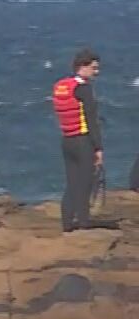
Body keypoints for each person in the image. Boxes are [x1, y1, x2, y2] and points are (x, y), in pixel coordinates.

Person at [53, 48, 114, 231]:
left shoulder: (62, 86)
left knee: (72, 182)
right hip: (83, 142)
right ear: (83, 66)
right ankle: (83, 222)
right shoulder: (84, 89)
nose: (97, 72)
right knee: (86, 181)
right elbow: (91, 121)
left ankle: (67, 223)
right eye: (94, 68)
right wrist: (99, 149)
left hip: (67, 140)